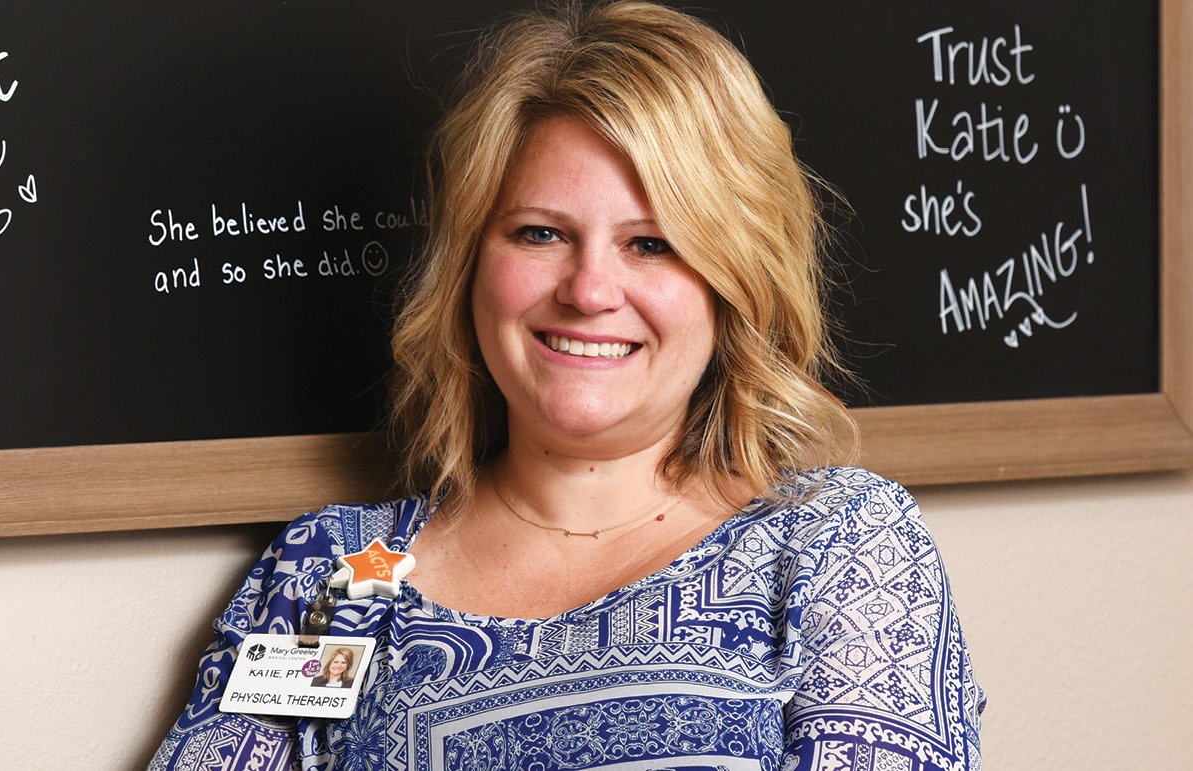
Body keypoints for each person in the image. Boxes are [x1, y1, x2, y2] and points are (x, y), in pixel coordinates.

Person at [150, 2, 984, 769]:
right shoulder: (342, 574)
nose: (588, 291)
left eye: (651, 244)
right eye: (540, 232)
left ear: (736, 284)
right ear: (471, 266)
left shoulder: (833, 546)